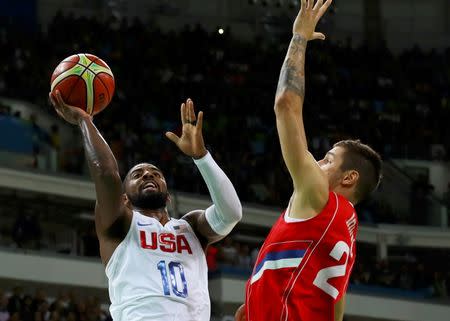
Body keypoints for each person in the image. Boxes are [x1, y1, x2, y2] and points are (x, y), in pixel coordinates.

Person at [235, 1, 382, 320]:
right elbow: (336, 309)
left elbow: (286, 105)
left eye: (328, 160)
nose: (317, 163)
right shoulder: (347, 227)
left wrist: (298, 38)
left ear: (349, 178)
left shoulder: (318, 196)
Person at [49, 92, 242, 321]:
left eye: (155, 173)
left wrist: (201, 157)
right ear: (124, 199)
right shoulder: (119, 223)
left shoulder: (191, 227)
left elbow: (231, 213)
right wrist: (85, 121)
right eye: (137, 174)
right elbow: (107, 174)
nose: (148, 174)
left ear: (168, 196)